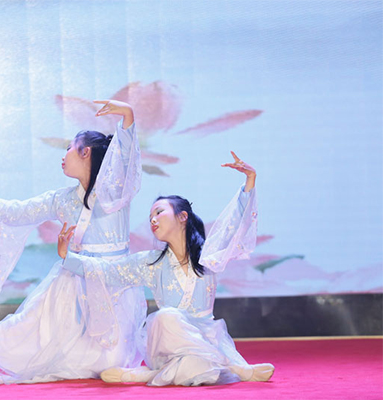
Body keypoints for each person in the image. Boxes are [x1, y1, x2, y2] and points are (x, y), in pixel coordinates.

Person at [0, 100, 147, 384]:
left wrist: (128, 115)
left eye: (69, 148)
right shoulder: (62, 199)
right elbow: (17, 212)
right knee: (21, 327)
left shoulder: (114, 193)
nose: (64, 156)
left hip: (113, 281)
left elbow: (126, 160)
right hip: (73, 280)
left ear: (85, 152)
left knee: (110, 360)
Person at [57, 151, 275, 386]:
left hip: (207, 339)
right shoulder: (151, 262)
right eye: (151, 216)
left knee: (196, 368)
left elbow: (234, 224)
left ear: (182, 217)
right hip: (168, 342)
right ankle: (228, 366)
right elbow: (108, 271)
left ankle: (152, 374)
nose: (153, 219)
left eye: (159, 212)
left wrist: (250, 180)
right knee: (166, 317)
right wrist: (67, 256)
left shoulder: (209, 256)